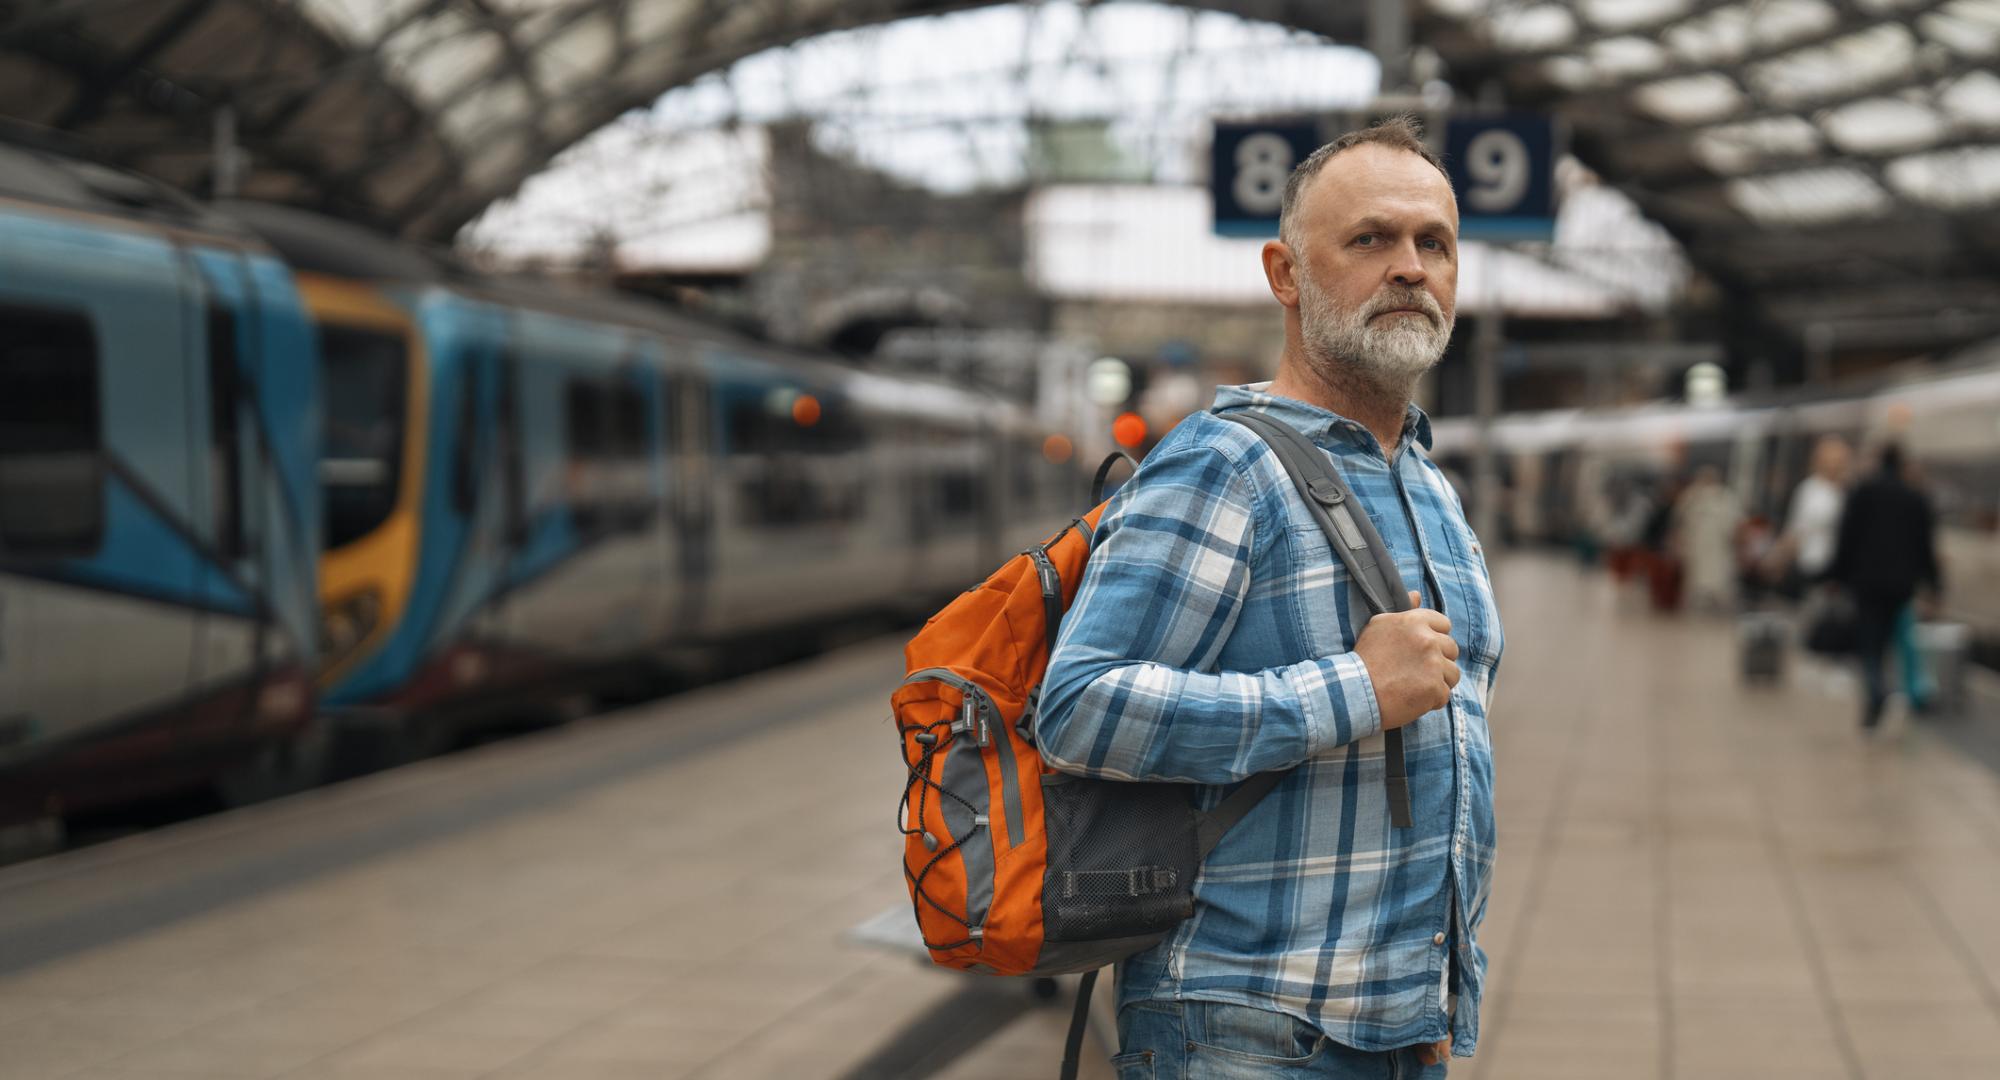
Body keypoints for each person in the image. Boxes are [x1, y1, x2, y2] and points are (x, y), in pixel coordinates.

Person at [1037, 116, 1501, 1078]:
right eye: (1370, 240)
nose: (1411, 267)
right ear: (1285, 274)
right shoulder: (1225, 466)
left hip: (1402, 1030)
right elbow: (1079, 707)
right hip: (1247, 1027)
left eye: (1435, 243)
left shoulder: (1428, 485)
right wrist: (1353, 690)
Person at [1826, 442, 1941, 730]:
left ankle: (1876, 690)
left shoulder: (1862, 493)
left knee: (1870, 642)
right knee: (1893, 639)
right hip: (1901, 585)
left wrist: (1836, 576)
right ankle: (1893, 688)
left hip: (1866, 583)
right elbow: (1926, 546)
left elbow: (1846, 538)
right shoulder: (1916, 498)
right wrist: (1935, 585)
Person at [1776, 436, 1850, 597]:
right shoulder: (1809, 490)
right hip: (1810, 565)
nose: (1836, 465)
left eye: (1840, 460)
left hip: (1838, 569)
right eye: (1832, 460)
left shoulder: (1847, 492)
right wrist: (1781, 559)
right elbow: (1796, 529)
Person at [1671, 465, 1740, 612]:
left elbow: (1733, 525)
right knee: (1698, 580)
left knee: (1716, 578)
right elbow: (1680, 521)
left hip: (1717, 548)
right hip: (1697, 547)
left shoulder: (1725, 498)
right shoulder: (1692, 496)